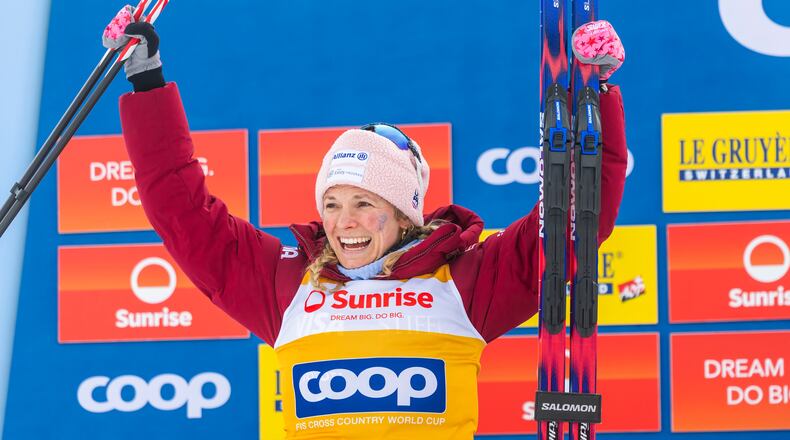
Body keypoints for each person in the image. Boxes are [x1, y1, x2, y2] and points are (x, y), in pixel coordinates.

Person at [105, 6, 627, 439]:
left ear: (404, 213)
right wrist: (147, 85)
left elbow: (575, 224)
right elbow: (182, 211)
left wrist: (596, 93)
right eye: (332, 203)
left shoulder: (464, 281)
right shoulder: (286, 284)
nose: (344, 222)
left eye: (364, 202)